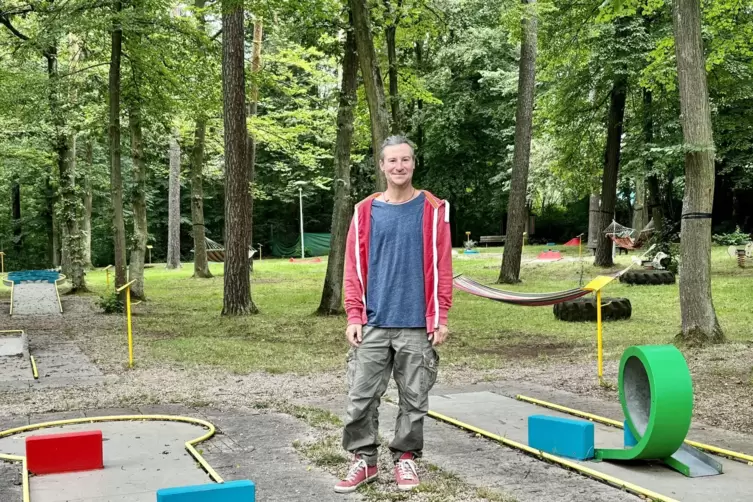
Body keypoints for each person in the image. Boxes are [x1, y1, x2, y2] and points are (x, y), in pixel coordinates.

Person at [334, 135, 453, 493]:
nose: (399, 166)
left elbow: (442, 265)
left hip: (417, 324)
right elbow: (353, 266)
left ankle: (405, 460)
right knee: (360, 396)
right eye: (392, 161)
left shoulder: (433, 209)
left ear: (413, 164)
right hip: (373, 322)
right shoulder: (365, 210)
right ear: (382, 166)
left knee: (414, 400)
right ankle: (363, 461)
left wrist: (440, 315)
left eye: (405, 160)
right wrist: (354, 314)